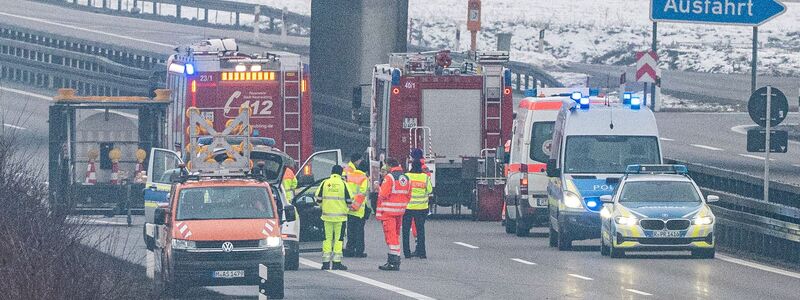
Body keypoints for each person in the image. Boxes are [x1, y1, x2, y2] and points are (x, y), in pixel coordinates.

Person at [376, 158, 411, 271]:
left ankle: (393, 261)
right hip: (400, 211)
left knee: (391, 237)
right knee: (396, 236)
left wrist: (378, 188)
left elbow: (383, 194)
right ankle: (395, 260)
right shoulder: (406, 177)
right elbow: (409, 195)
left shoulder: (389, 177)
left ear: (390, 166)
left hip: (389, 212)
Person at [315, 165, 352, 270]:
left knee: (326, 239)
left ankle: (325, 263)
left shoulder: (325, 183)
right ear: (341, 173)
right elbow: (349, 200)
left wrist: (324, 206)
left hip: (326, 217)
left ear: (332, 172)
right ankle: (336, 262)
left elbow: (317, 198)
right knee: (338, 240)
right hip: (340, 218)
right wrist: (345, 207)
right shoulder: (343, 184)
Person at [403, 160, 432, 259]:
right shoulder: (425, 177)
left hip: (408, 207)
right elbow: (430, 190)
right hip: (421, 208)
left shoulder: (407, 176)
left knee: (406, 230)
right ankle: (422, 253)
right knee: (421, 231)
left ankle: (407, 253)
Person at [343, 160, 371, 258]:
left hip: (349, 207)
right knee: (359, 231)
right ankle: (359, 251)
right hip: (359, 210)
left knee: (350, 230)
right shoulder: (364, 178)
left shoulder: (350, 176)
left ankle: (350, 249)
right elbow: (362, 194)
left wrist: (350, 205)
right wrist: (356, 206)